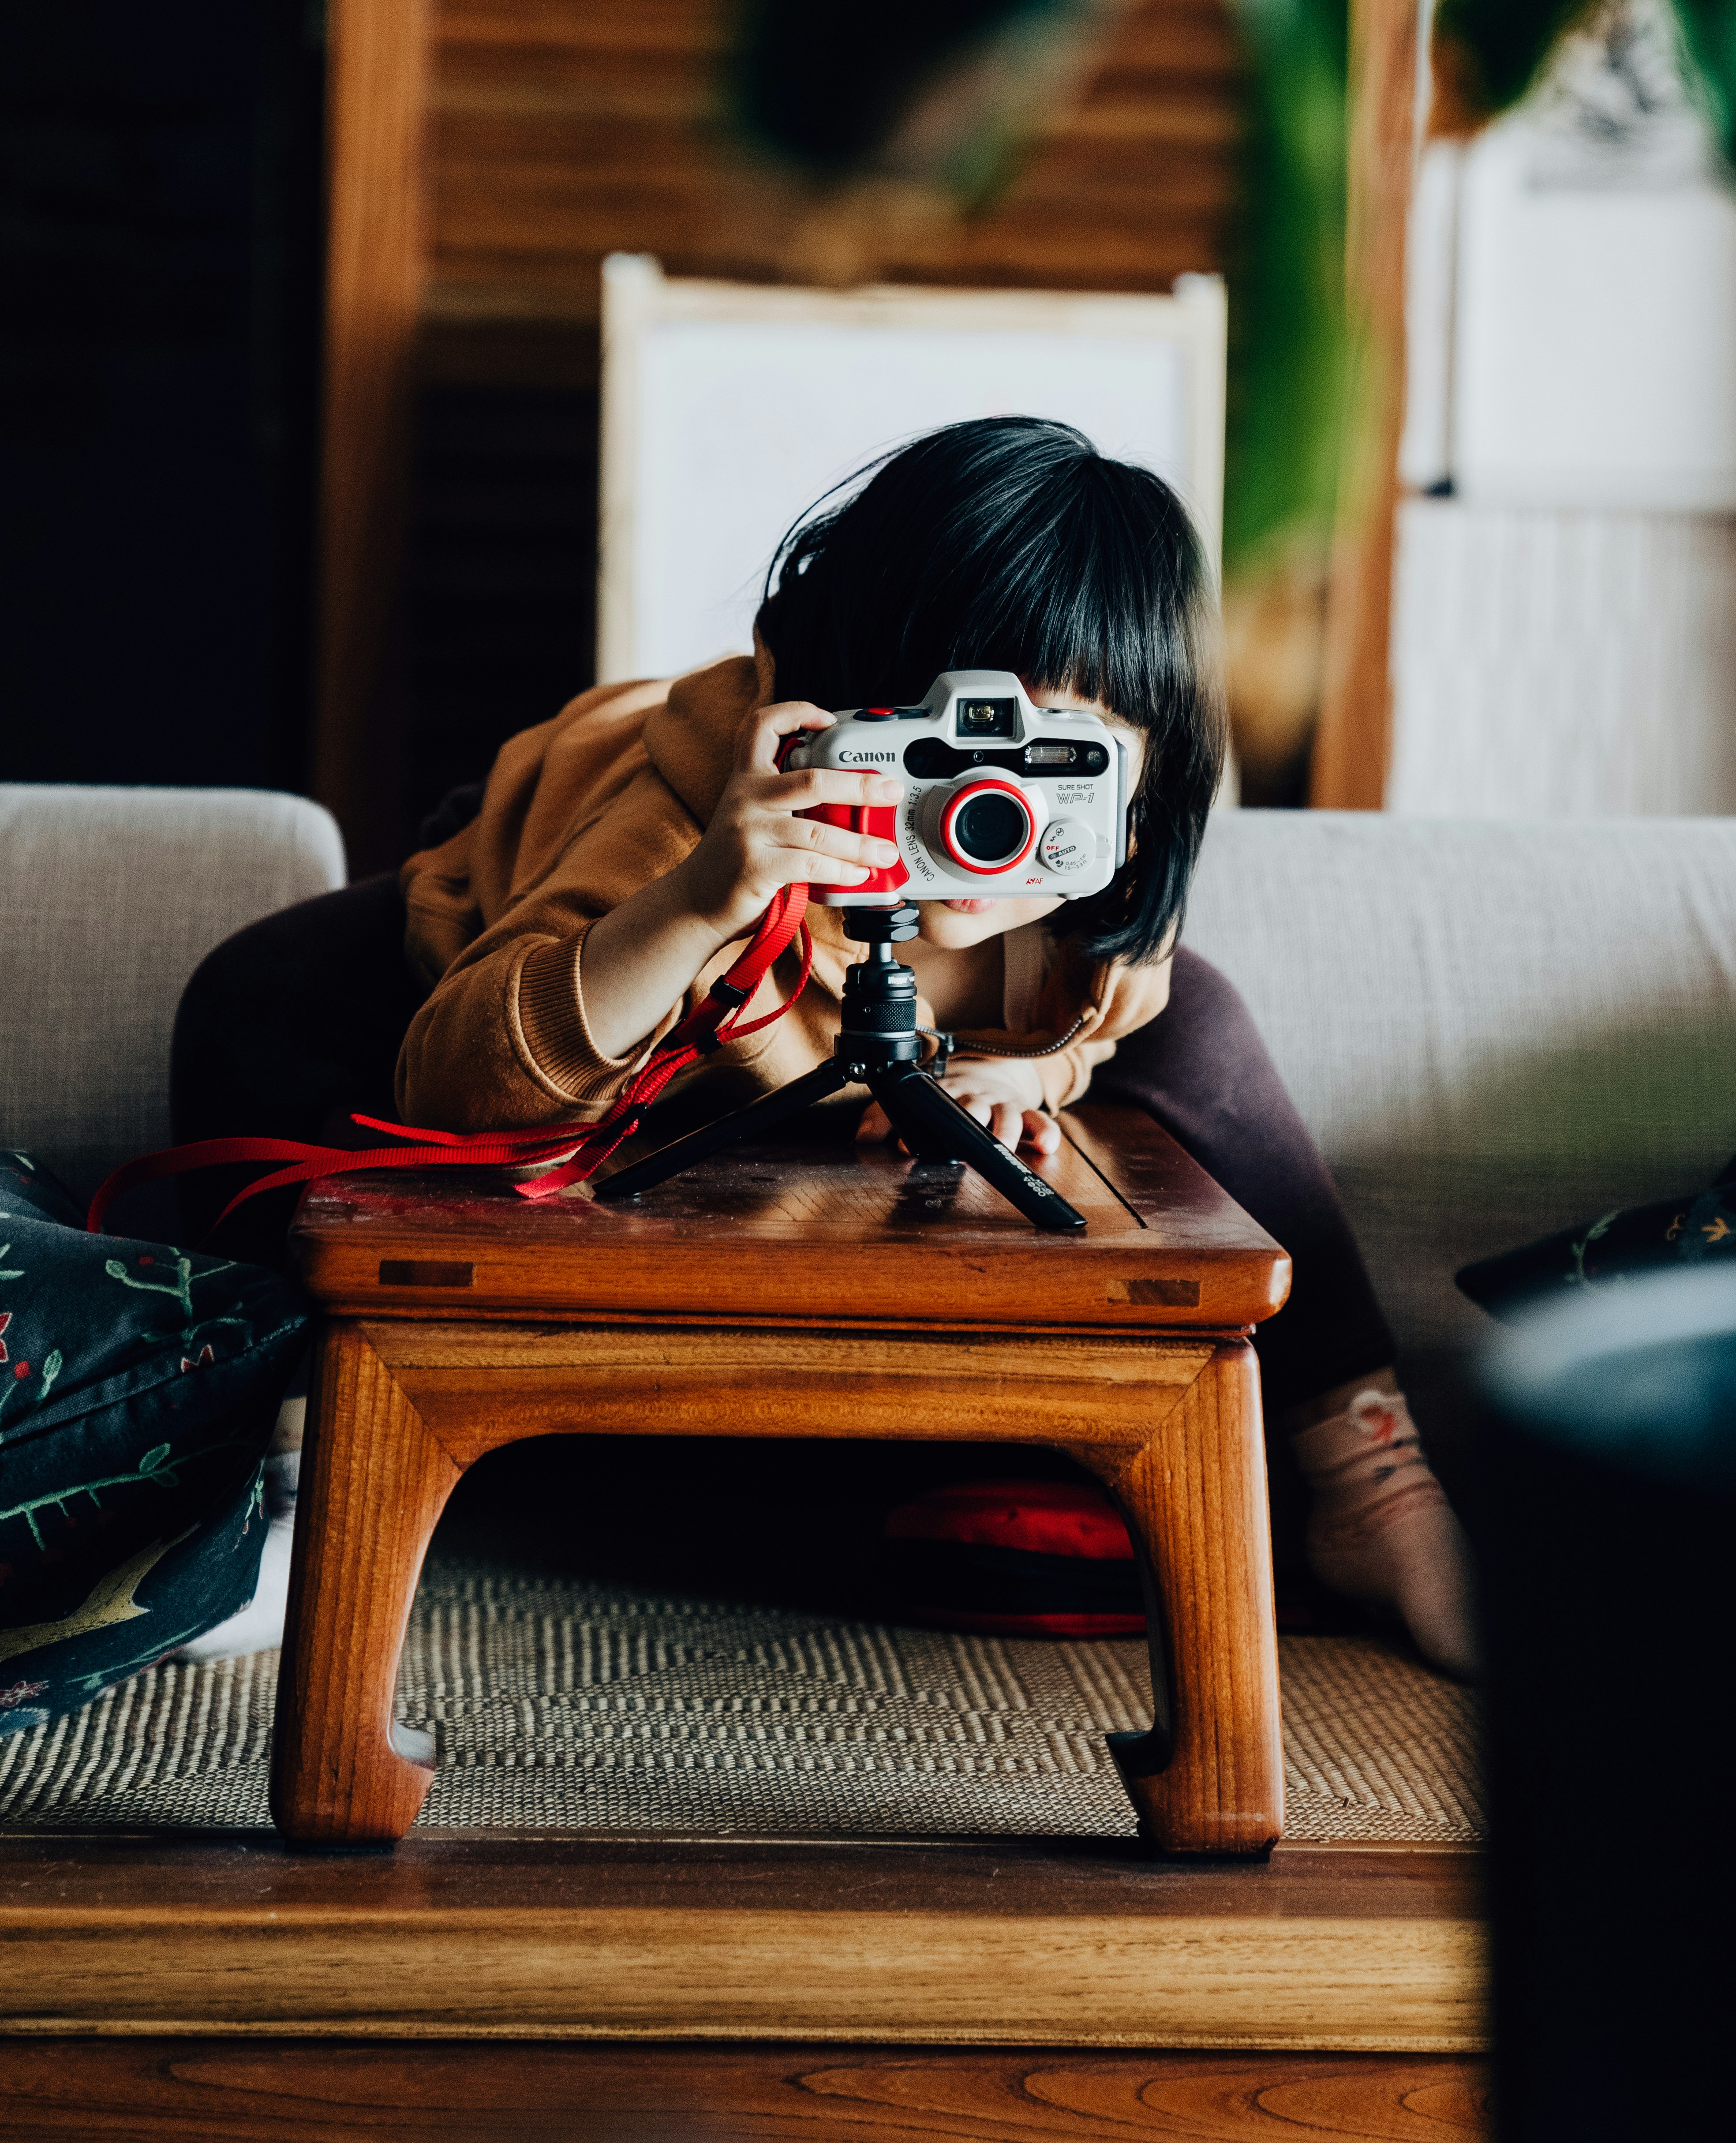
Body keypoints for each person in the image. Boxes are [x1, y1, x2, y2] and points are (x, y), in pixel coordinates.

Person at [174, 418, 1478, 1677]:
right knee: (266, 993)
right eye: (933, 744)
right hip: (579, 957)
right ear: (822, 714)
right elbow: (456, 1088)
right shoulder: (702, 807)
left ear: (1151, 792)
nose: (991, 810)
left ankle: (1372, 1481)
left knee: (1206, 1015)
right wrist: (695, 898)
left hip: (819, 1076)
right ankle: (265, 1478)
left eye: (1061, 765)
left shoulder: (1102, 889)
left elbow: (1118, 1015)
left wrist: (1038, 1068)